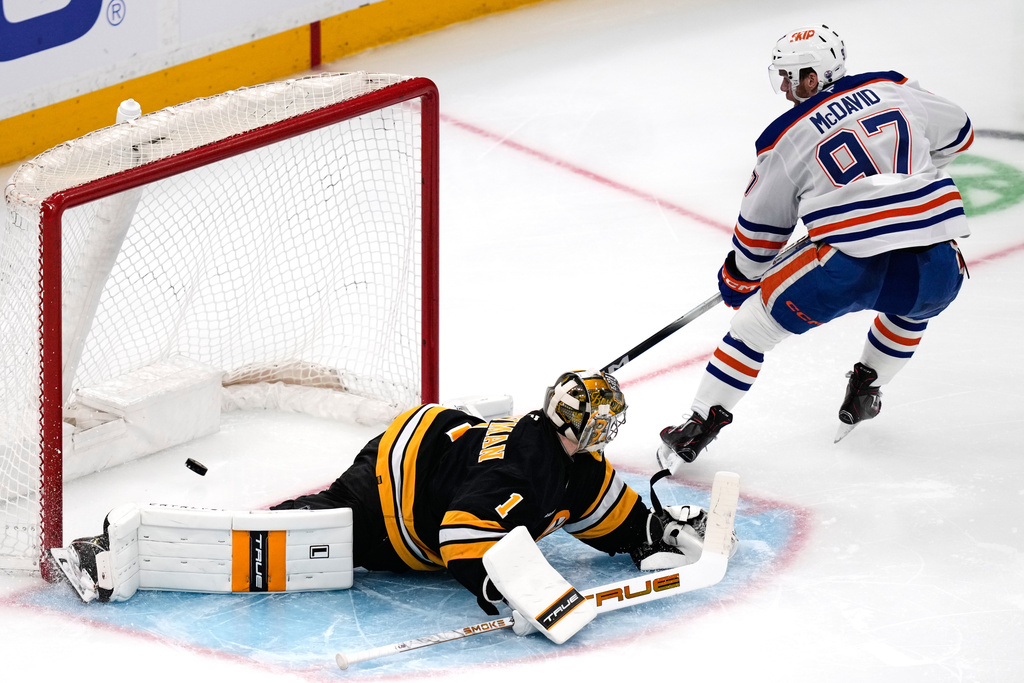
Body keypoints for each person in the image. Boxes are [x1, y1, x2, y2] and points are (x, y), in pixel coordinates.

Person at [59, 370, 730, 614]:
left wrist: (649, 531)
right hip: (394, 491)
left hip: (438, 440)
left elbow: (601, 504)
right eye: (604, 425)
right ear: (582, 427)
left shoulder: (569, 465)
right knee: (302, 535)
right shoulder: (522, 470)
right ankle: (114, 553)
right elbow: (461, 533)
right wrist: (502, 587)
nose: (610, 435)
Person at [657, 25, 973, 469]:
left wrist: (739, 276)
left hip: (846, 268)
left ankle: (699, 424)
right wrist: (905, 178)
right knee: (914, 308)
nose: (785, 90)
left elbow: (762, 231)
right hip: (938, 264)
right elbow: (959, 131)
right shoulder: (893, 87)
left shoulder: (785, 137)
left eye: (790, 78)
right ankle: (866, 389)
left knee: (753, 329)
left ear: (812, 76)